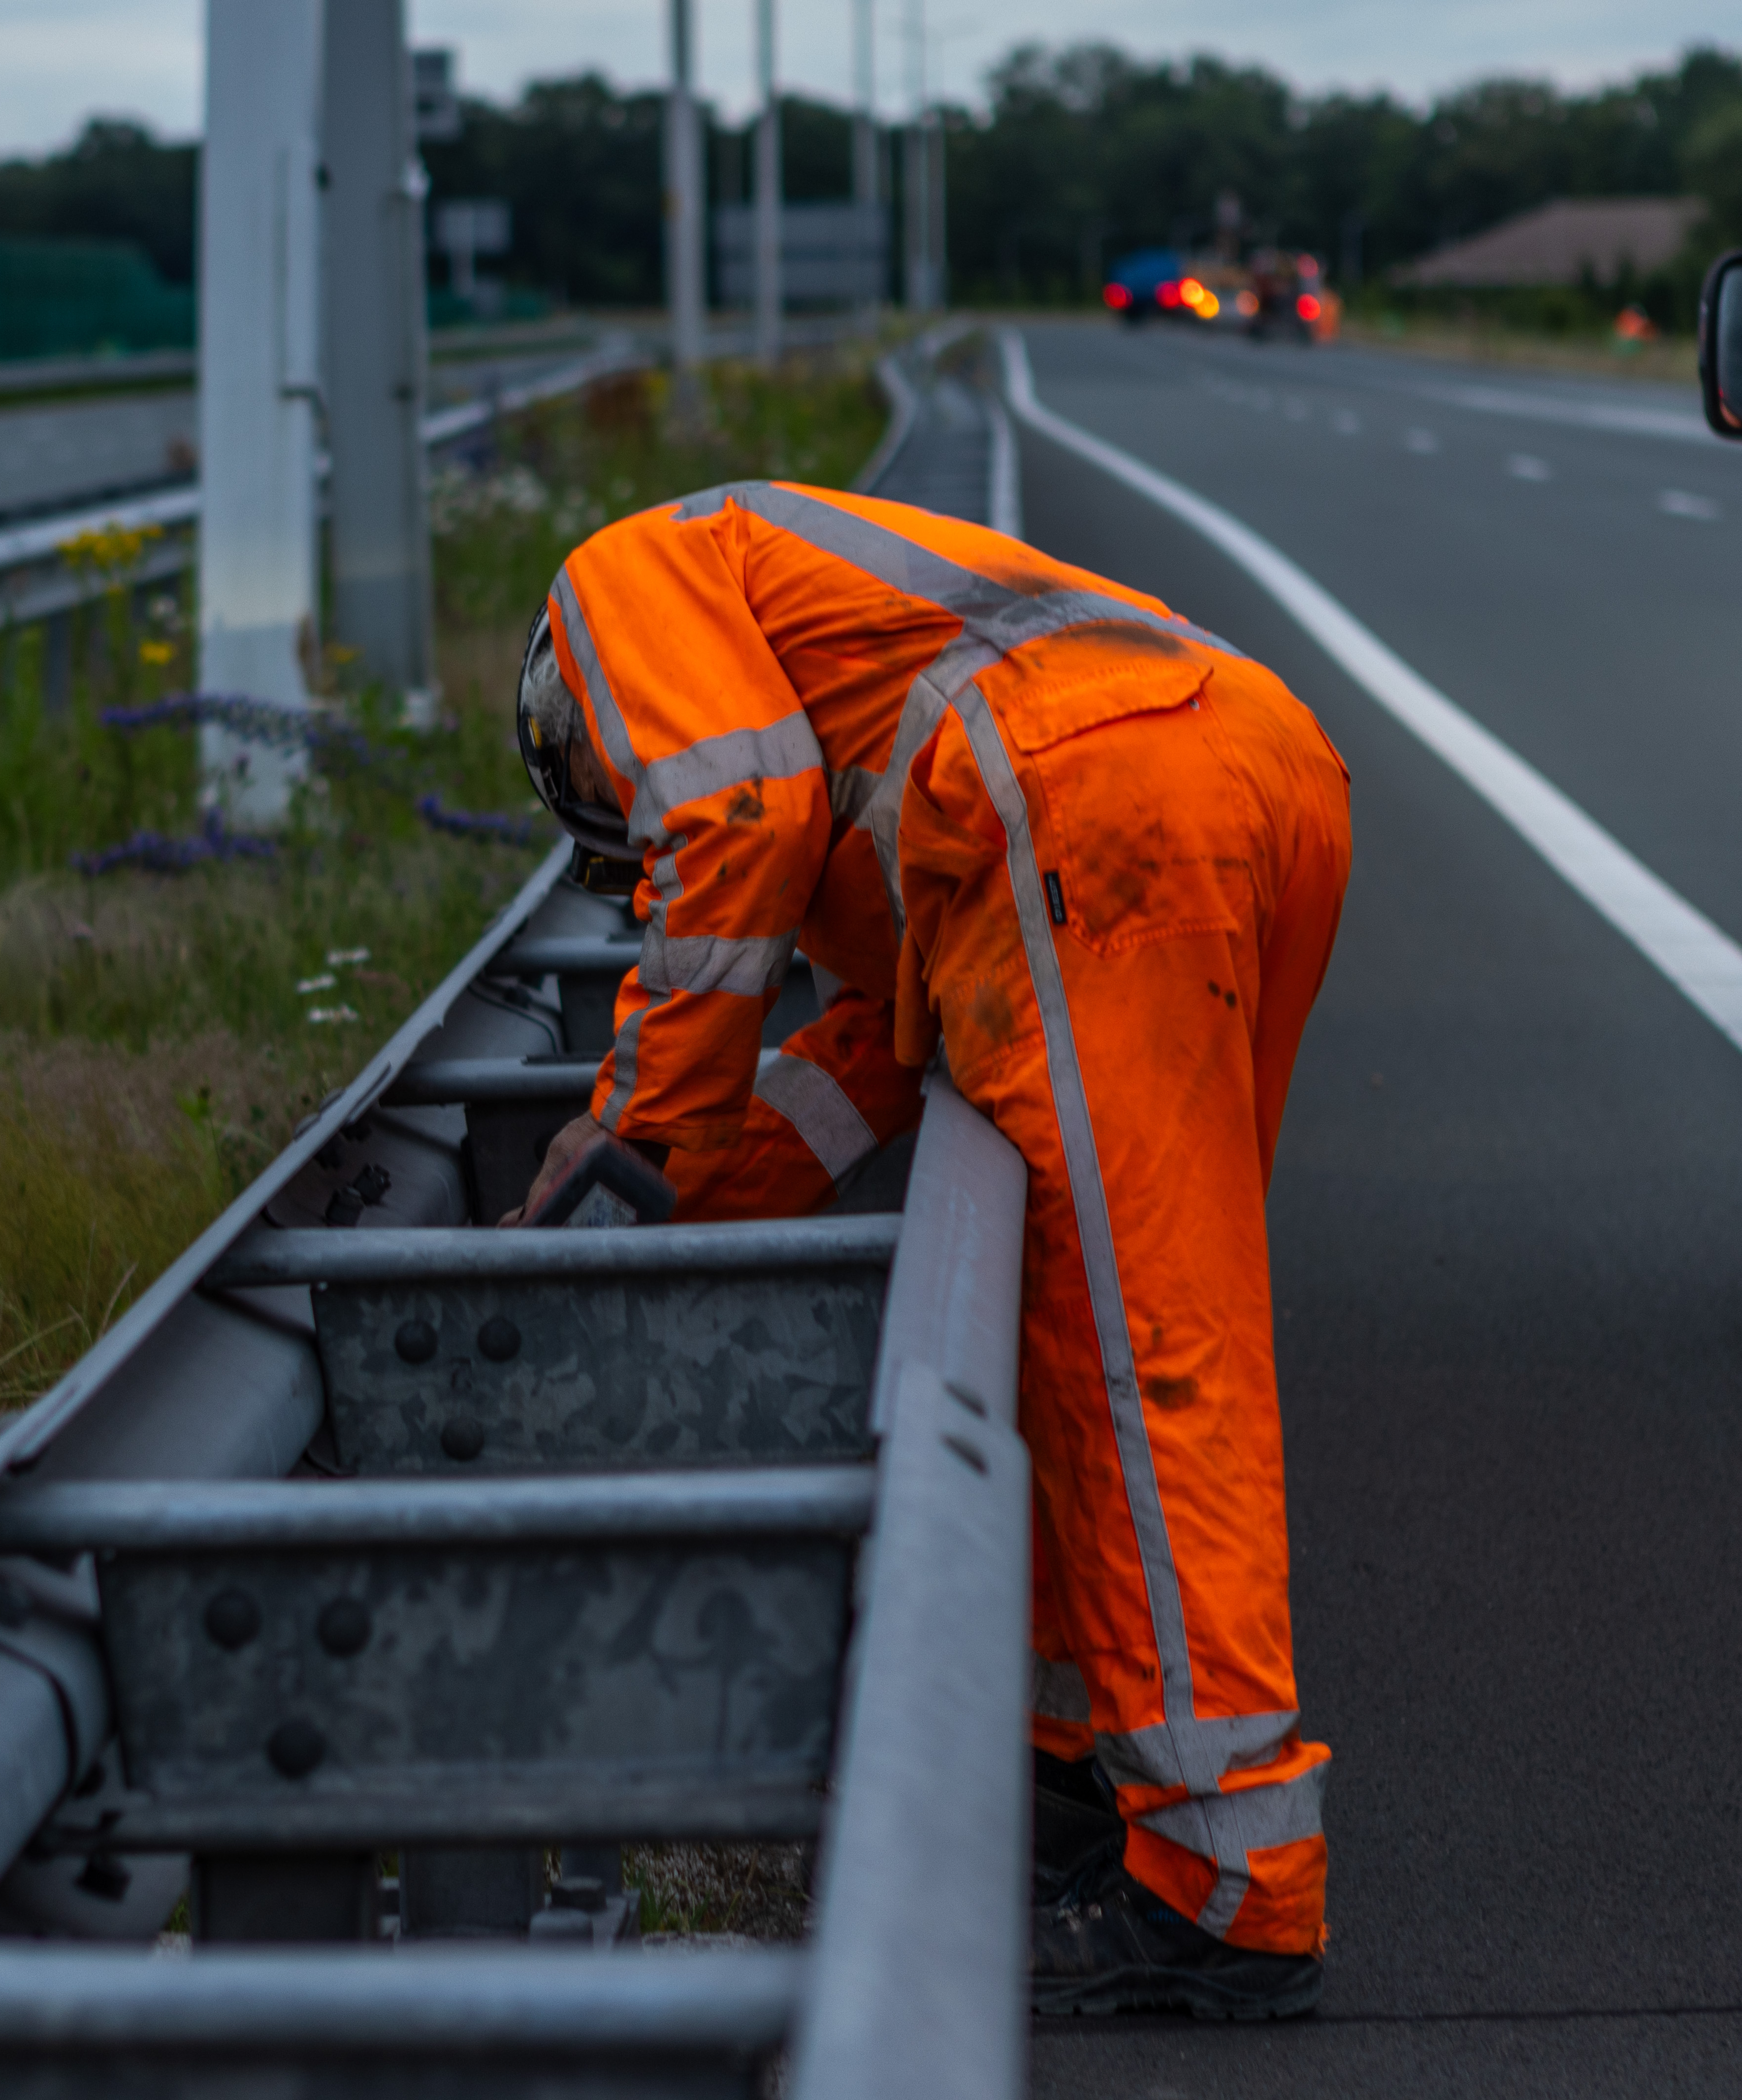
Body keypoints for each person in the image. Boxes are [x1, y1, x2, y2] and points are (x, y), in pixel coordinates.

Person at [512, 478, 1350, 2019]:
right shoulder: (863, 671)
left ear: (571, 727)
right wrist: (684, 1193)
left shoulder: (610, 587)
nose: (643, 881)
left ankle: (1226, 1889)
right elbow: (888, 1053)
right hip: (1243, 765)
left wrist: (634, 1132)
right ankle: (1078, 1779)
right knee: (1082, 1318)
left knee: (1137, 1352)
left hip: (1101, 804)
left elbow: (732, 809)